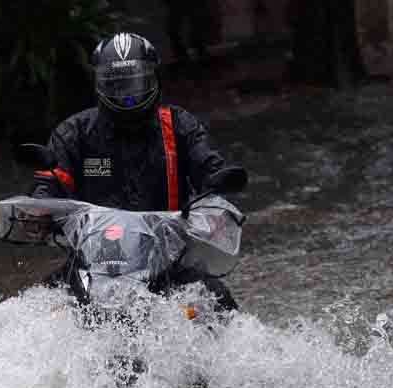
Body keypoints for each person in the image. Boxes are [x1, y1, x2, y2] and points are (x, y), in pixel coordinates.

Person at [31, 32, 239, 311]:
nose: (127, 95)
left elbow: (208, 166)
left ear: (154, 79)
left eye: (134, 83)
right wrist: (41, 206)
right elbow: (51, 182)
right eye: (117, 85)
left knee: (218, 301)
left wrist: (216, 184)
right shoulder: (74, 132)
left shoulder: (179, 125)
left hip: (167, 261)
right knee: (36, 306)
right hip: (92, 264)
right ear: (100, 84)